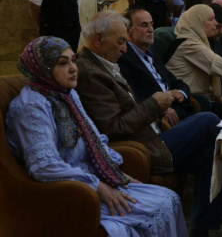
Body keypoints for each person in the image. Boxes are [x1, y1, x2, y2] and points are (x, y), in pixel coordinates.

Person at [6, 36, 187, 236]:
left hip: (93, 178)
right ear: (42, 69)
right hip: (70, 191)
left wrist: (116, 173)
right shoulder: (31, 106)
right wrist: (98, 186)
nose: (73, 68)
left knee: (169, 198)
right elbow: (44, 166)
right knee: (153, 210)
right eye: (63, 63)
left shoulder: (67, 94)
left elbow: (93, 137)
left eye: (73, 60)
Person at [74, 11, 222, 237]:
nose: (124, 49)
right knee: (209, 120)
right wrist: (154, 105)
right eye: (120, 41)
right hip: (141, 149)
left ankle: (201, 230)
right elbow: (113, 128)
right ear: (98, 40)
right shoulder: (91, 73)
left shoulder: (104, 63)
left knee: (209, 155)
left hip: (152, 135)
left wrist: (157, 113)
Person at [118, 8, 204, 119]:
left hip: (178, 107)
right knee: (210, 119)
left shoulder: (151, 54)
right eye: (144, 25)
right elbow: (134, 96)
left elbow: (175, 81)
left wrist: (181, 92)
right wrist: (160, 108)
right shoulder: (124, 58)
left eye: (151, 24)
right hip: (159, 117)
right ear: (128, 30)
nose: (150, 30)